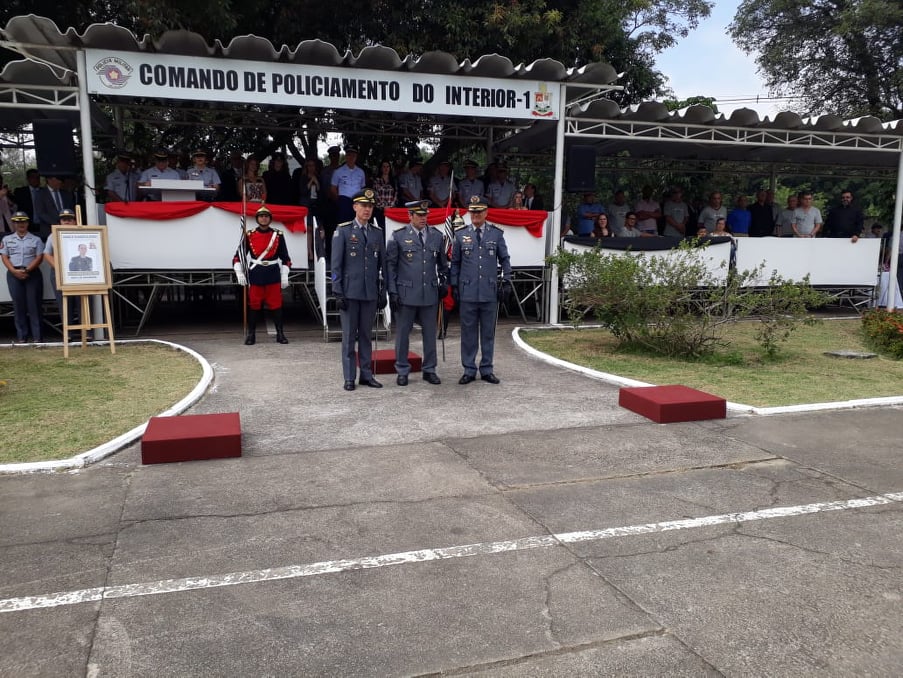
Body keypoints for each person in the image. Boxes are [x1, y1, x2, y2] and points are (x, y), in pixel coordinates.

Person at [450, 195, 512, 385]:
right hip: (468, 291)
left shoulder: (496, 234)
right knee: (468, 332)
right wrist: (454, 285)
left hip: (489, 291)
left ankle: (487, 368)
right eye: (473, 211)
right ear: (469, 213)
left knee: (488, 333)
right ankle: (469, 369)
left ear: (486, 212)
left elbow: (505, 259)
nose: (476, 215)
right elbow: (455, 263)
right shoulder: (461, 234)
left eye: (479, 211)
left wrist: (507, 281)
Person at [386, 199, 449, 386]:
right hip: (405, 293)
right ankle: (402, 369)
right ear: (410, 216)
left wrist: (444, 281)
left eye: (425, 215)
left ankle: (429, 369)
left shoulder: (436, 236)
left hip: (429, 292)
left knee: (430, 333)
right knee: (403, 334)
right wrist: (392, 291)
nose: (423, 218)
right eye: (419, 215)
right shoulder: (398, 237)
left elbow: (442, 265)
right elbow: (391, 266)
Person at [331, 188, 387, 391]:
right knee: (348, 337)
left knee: (366, 335)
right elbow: (335, 265)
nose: (367, 209)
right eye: (363, 205)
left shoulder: (376, 233)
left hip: (369, 292)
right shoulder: (343, 231)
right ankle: (349, 377)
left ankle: (366, 374)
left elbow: (383, 265)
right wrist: (337, 291)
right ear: (355, 207)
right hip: (349, 292)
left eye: (370, 206)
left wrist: (383, 290)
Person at [232, 204, 292, 345]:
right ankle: (251, 335)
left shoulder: (278, 235)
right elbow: (237, 256)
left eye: (266, 216)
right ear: (257, 218)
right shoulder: (249, 235)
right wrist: (239, 271)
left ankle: (280, 334)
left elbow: (286, 258)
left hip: (272, 274)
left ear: (270, 219)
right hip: (256, 274)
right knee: (254, 306)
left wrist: (284, 275)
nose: (264, 219)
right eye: (261, 216)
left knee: (276, 306)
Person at [1, 211, 44, 342]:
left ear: (27, 223)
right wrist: (14, 271)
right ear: (13, 224)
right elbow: (4, 257)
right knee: (18, 305)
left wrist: (27, 270)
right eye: (18, 222)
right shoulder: (7, 240)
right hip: (14, 274)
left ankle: (37, 337)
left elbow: (40, 257)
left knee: (34, 305)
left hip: (32, 273)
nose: (21, 224)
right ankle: (22, 337)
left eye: (23, 222)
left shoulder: (36, 239)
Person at [42, 208, 80, 336]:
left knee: (82, 300)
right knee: (64, 303)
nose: (67, 222)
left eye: (70, 219)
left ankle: (87, 331)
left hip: (79, 273)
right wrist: (60, 269)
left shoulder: (82, 233)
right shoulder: (53, 235)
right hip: (59, 272)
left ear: (75, 221)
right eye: (64, 220)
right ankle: (68, 334)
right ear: (60, 222)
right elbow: (46, 254)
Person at [293, 157, 323, 260]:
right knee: (309, 229)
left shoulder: (318, 177)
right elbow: (303, 191)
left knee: (319, 229)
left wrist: (316, 181)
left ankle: (318, 252)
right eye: (309, 166)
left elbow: (321, 191)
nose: (311, 168)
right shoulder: (303, 177)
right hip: (306, 205)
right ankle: (309, 251)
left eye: (313, 165)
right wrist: (311, 181)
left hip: (316, 205)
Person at [331, 145, 367, 224]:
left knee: (357, 224)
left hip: (357, 202)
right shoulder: (338, 171)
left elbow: (362, 188)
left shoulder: (361, 172)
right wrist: (339, 201)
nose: (351, 158)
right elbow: (333, 189)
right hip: (344, 201)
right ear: (346, 156)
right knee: (344, 225)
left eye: (353, 156)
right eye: (349, 155)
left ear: (356, 157)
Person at [372, 159, 397, 231]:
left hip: (391, 210)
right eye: (384, 167)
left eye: (388, 167)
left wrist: (390, 206)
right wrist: (384, 206)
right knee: (380, 230)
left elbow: (395, 194)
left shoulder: (393, 181)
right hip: (379, 210)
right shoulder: (376, 180)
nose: (386, 168)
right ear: (381, 168)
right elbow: (376, 194)